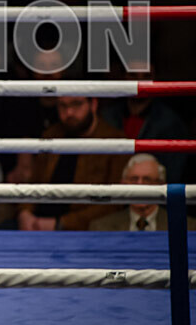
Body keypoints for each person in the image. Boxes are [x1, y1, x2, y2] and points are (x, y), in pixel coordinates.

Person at [17, 97, 129, 231]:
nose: (69, 112)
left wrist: (61, 223)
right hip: (38, 222)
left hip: (83, 230)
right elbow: (33, 183)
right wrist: (25, 212)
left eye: (76, 104)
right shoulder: (51, 135)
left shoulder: (115, 142)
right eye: (62, 106)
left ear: (93, 104)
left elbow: (113, 203)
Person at [89, 154, 196, 231]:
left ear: (161, 185)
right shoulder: (101, 228)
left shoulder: (187, 227)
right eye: (134, 179)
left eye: (147, 179)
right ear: (124, 184)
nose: (140, 185)